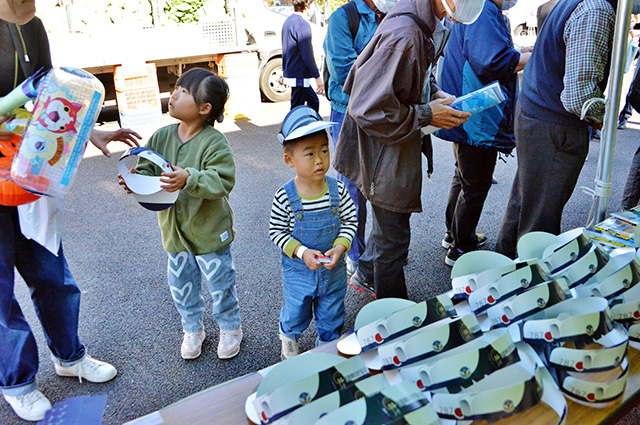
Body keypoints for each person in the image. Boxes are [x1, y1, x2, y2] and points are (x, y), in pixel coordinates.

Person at [0, 1, 141, 422]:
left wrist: (91, 131)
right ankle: (17, 381)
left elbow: (49, 101)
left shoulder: (36, 26)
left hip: (29, 171)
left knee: (51, 272)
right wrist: (13, 100)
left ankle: (69, 355)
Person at [333, 0, 483, 300]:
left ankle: (366, 274)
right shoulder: (405, 34)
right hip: (382, 153)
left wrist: (436, 96)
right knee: (393, 243)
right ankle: (394, 321)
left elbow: (416, 78)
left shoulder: (433, 22)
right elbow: (368, 108)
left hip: (393, 145)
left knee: (388, 236)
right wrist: (427, 114)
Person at [119, 68, 243, 361]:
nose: (173, 94)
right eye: (175, 88)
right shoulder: (161, 137)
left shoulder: (213, 142)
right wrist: (136, 181)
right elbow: (149, 169)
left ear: (204, 108)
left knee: (220, 284)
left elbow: (223, 180)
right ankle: (192, 329)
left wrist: (190, 178)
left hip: (210, 232)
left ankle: (230, 327)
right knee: (182, 287)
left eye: (183, 91)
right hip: (174, 234)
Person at [494, 0, 616, 259]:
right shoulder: (596, 9)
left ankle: (501, 269)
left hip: (535, 110)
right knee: (540, 217)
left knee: (526, 201)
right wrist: (600, 115)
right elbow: (578, 96)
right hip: (554, 122)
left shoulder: (574, 3)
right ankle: (528, 286)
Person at [437, 0, 531, 266]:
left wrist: (518, 52)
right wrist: (529, 57)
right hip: (479, 113)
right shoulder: (484, 9)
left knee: (464, 177)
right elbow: (492, 61)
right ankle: (461, 248)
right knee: (475, 184)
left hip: (466, 108)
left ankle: (453, 234)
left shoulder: (475, 7)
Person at [269, 106, 356, 359]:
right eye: (310, 153)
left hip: (333, 269)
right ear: (289, 160)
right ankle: (289, 338)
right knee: (296, 311)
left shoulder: (337, 189)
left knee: (332, 313)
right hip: (299, 271)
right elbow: (277, 231)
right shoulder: (285, 196)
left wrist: (340, 247)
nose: (320, 159)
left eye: (324, 150)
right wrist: (301, 251)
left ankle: (326, 350)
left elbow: (350, 220)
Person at [323, 0, 399, 285]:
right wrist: (388, 76)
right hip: (349, 113)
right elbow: (344, 72)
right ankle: (357, 257)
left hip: (384, 113)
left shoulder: (395, 13)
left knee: (384, 185)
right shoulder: (343, 18)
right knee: (352, 190)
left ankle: (380, 252)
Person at [282, 0, 324, 112]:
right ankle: (297, 129)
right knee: (297, 108)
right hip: (299, 74)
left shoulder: (288, 21)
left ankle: (308, 127)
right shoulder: (302, 24)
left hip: (293, 72)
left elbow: (286, 49)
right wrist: (317, 76)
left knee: (312, 102)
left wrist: (284, 72)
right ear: (306, 6)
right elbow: (307, 54)